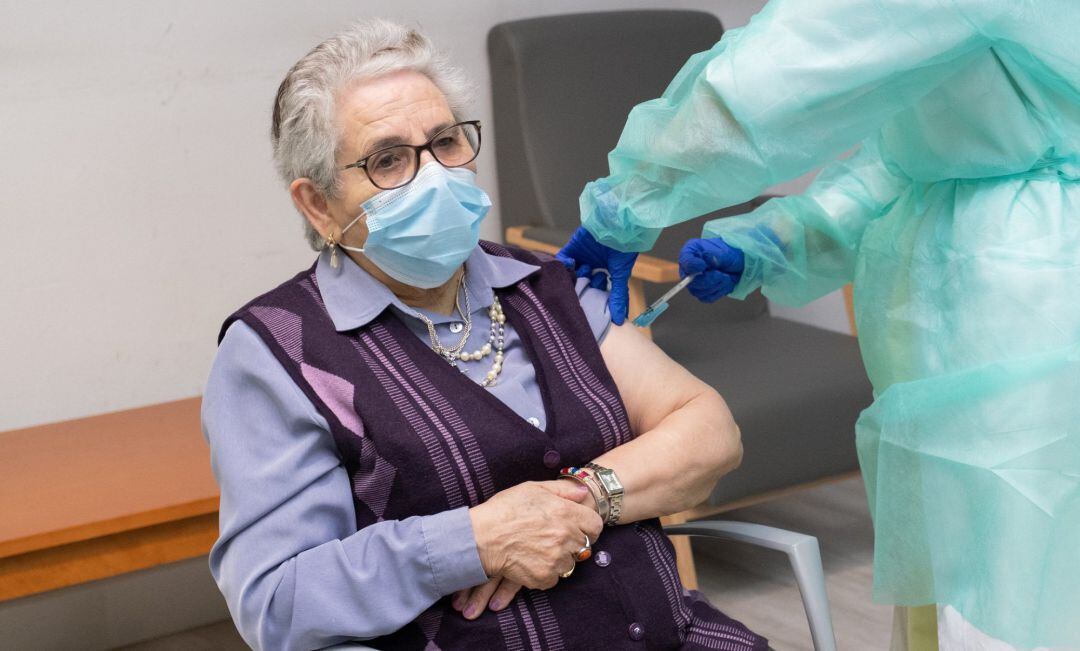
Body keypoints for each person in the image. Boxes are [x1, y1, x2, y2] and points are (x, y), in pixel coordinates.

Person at [202, 18, 769, 650]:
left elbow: (707, 429)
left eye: (445, 141)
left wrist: (580, 499)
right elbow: (276, 599)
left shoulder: (544, 285)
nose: (433, 175)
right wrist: (474, 542)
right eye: (388, 160)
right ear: (318, 204)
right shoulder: (280, 353)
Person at [557, 1, 1080, 649]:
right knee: (958, 573)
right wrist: (776, 241)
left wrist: (629, 200)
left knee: (1016, 589)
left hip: (1035, 320)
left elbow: (765, 84)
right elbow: (902, 167)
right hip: (982, 322)